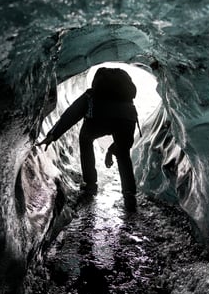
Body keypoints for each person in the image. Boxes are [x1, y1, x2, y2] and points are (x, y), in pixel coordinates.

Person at [39, 67, 139, 212]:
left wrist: (53, 134)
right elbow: (125, 143)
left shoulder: (90, 95)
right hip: (127, 118)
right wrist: (112, 149)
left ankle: (91, 184)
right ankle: (129, 194)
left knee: (85, 139)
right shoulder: (126, 101)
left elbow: (72, 114)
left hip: (99, 118)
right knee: (123, 153)